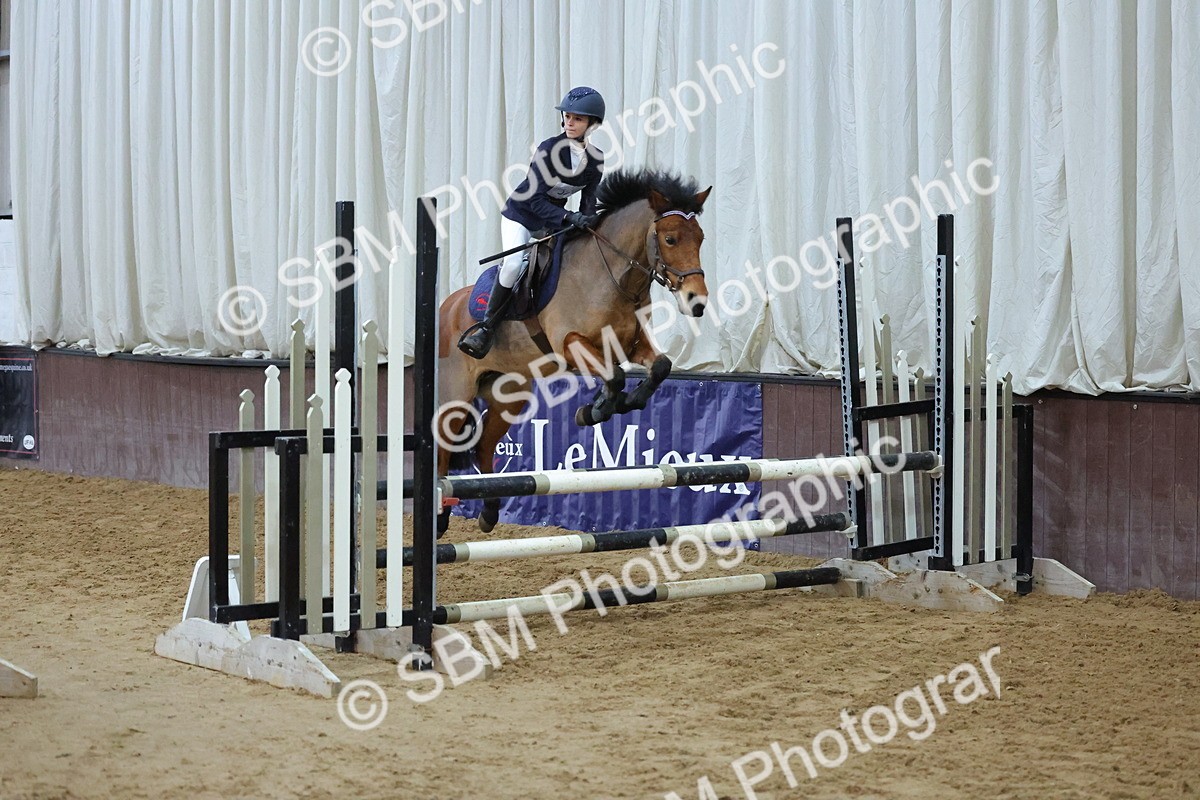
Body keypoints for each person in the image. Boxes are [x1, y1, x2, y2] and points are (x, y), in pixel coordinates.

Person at [458, 86, 607, 359]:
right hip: (523, 215)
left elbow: (588, 203)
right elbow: (536, 200)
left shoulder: (595, 159)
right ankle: (486, 328)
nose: (570, 123)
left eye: (578, 119)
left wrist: (592, 222)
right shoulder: (549, 150)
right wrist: (567, 217)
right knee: (515, 264)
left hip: (554, 222)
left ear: (593, 124)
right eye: (568, 117)